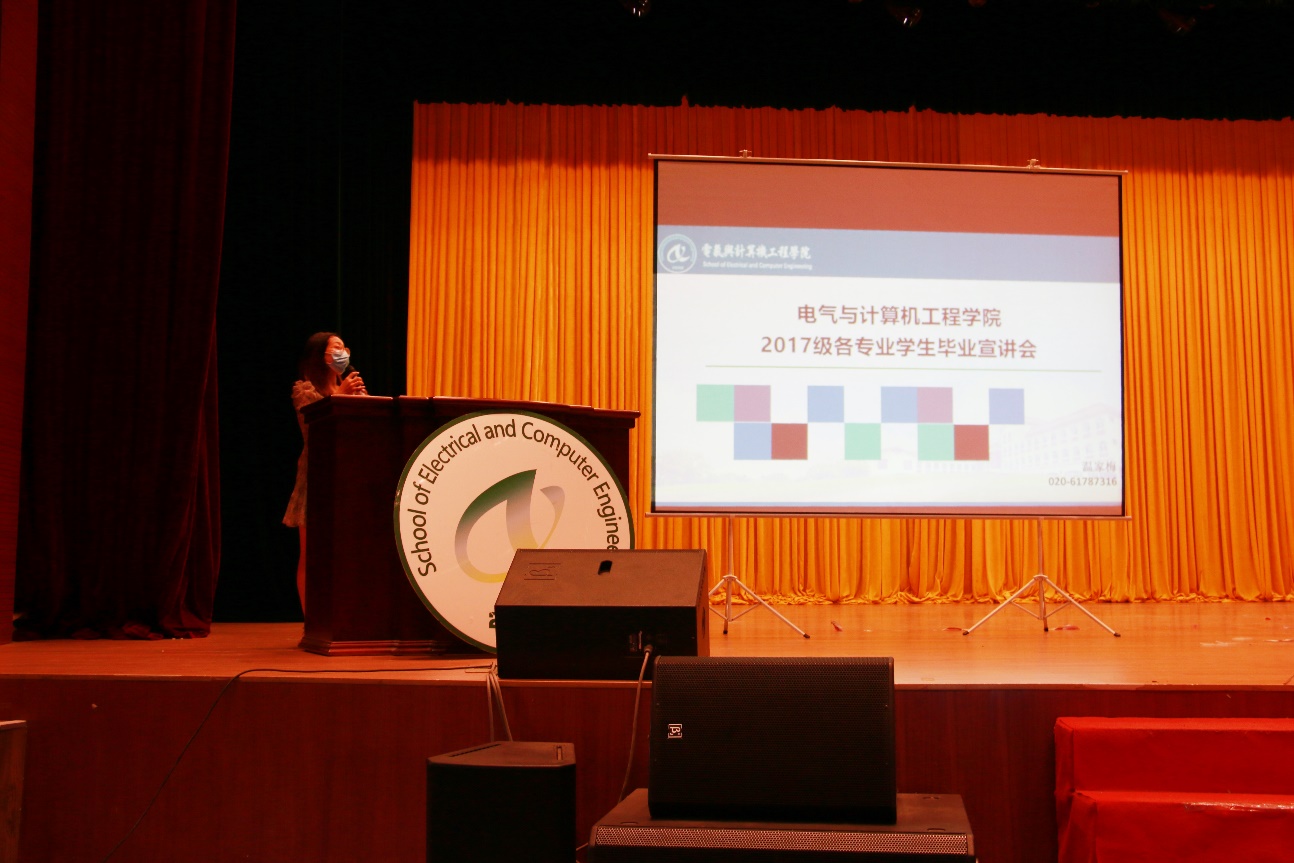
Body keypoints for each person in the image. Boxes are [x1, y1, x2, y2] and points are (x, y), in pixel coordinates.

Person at [283, 332, 367, 614]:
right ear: (321, 355)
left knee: (344, 553)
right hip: (317, 476)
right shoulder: (304, 389)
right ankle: (310, 617)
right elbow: (315, 424)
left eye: (345, 348)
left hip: (347, 475)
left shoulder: (349, 386)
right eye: (336, 348)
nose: (343, 352)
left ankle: (342, 616)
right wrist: (341, 395)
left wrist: (361, 398)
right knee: (311, 554)